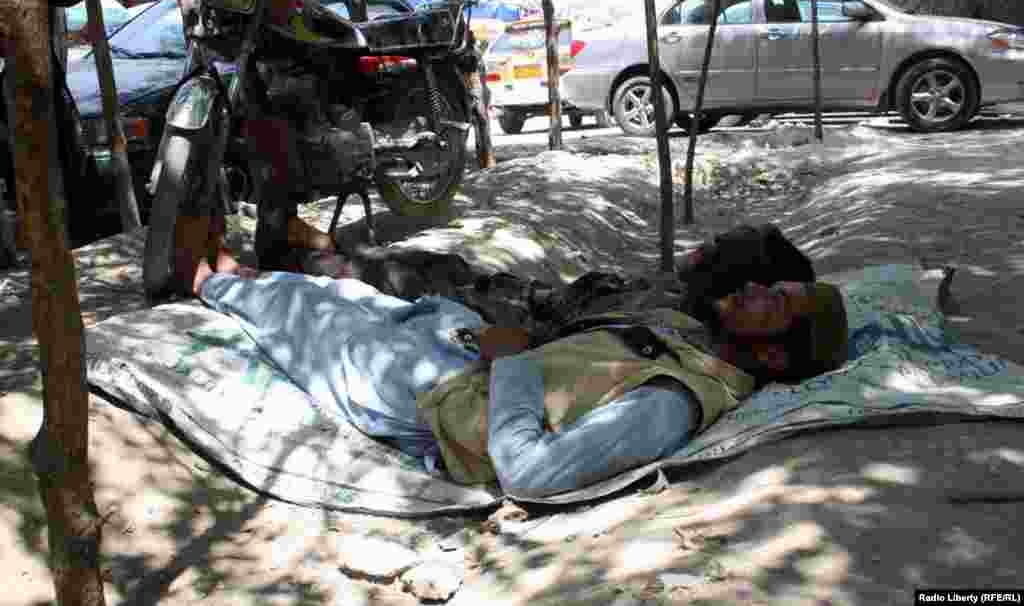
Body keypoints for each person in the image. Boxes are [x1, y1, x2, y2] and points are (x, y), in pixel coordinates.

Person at [184, 252, 849, 499]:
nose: (756, 289)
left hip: (430, 398)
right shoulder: (694, 343)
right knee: (348, 294)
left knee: (286, 307)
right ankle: (244, 275)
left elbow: (531, 472)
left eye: (777, 301)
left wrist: (510, 363)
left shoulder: (672, 404)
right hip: (461, 352)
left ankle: (203, 282)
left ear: (776, 359)